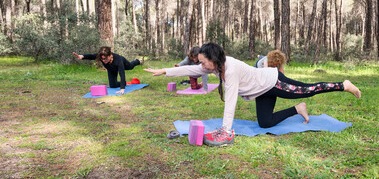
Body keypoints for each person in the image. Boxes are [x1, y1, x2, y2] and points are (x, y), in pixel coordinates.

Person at [144, 42, 361, 147]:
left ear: (213, 59)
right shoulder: (216, 66)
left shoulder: (230, 70)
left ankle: (343, 85)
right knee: (265, 124)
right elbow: (192, 69)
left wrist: (225, 130)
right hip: (262, 89)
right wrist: (165, 71)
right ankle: (297, 109)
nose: (200, 65)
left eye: (202, 61)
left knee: (308, 89)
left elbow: (230, 103)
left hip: (273, 82)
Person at [73, 46, 141, 94]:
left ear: (110, 56)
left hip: (123, 64)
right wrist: (82, 56)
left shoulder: (118, 60)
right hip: (111, 69)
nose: (103, 60)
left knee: (130, 67)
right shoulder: (102, 56)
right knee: (112, 85)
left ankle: (137, 61)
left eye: (105, 59)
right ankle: (125, 83)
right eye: (102, 59)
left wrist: (122, 88)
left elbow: (122, 74)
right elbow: (92, 56)